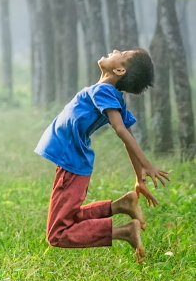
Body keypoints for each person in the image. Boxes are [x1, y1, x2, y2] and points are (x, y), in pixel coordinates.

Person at [34, 49, 170, 263]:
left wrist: (146, 165)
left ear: (120, 70)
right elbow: (127, 135)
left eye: (122, 53)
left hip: (71, 162)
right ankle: (122, 205)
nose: (115, 50)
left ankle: (125, 232)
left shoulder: (104, 91)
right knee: (69, 217)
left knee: (57, 234)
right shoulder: (110, 94)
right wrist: (139, 178)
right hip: (72, 160)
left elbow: (122, 130)